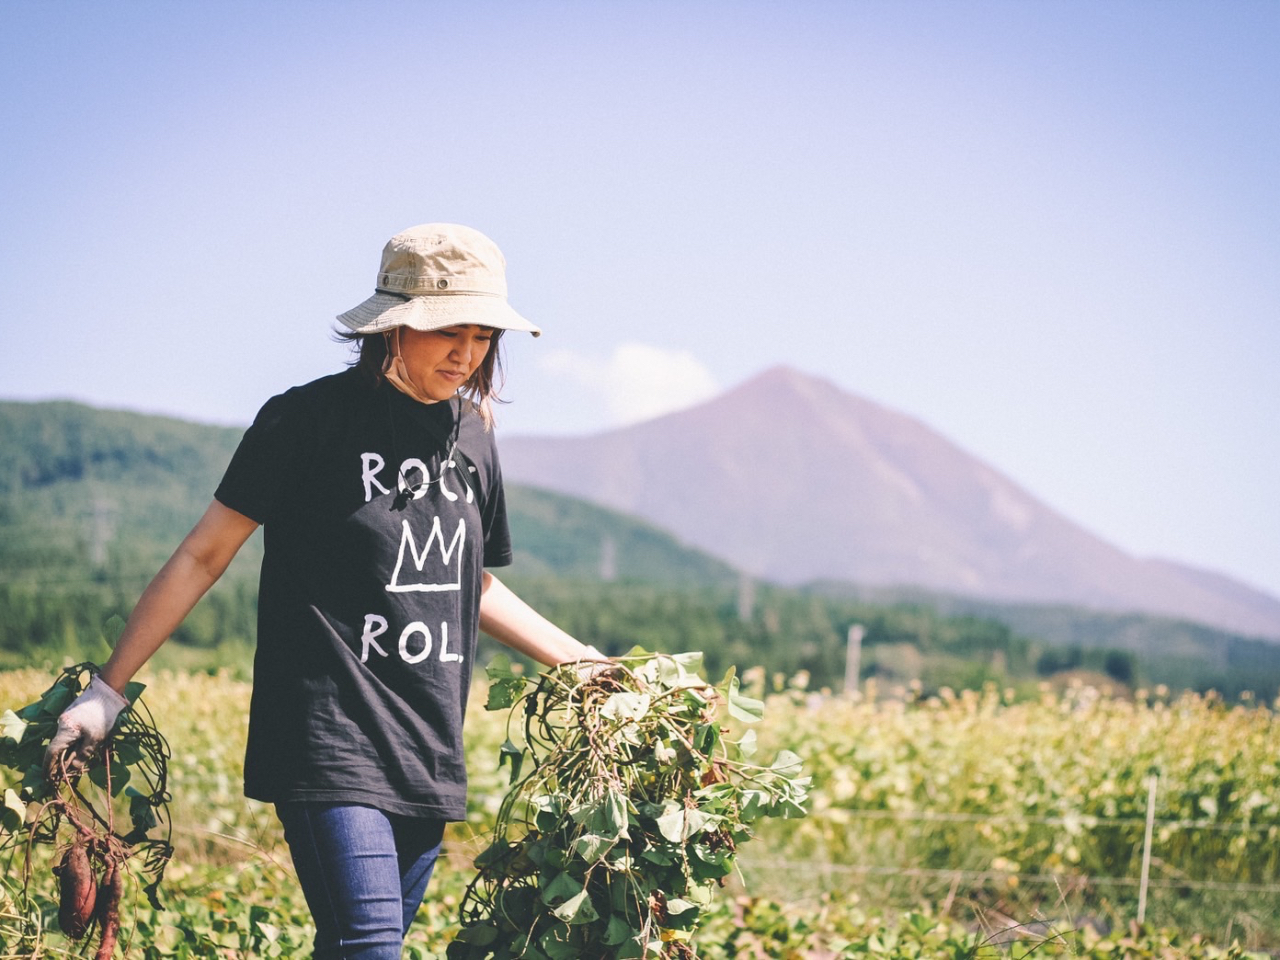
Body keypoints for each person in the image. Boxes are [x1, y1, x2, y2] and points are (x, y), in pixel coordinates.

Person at [45, 223, 605, 958]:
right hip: (328, 738)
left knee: (356, 947)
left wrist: (587, 664)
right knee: (369, 946)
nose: (467, 354)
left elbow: (469, 581)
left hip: (426, 747)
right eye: (448, 331)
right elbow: (203, 556)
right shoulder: (305, 420)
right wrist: (108, 690)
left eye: (483, 336)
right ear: (393, 325)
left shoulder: (470, 434)